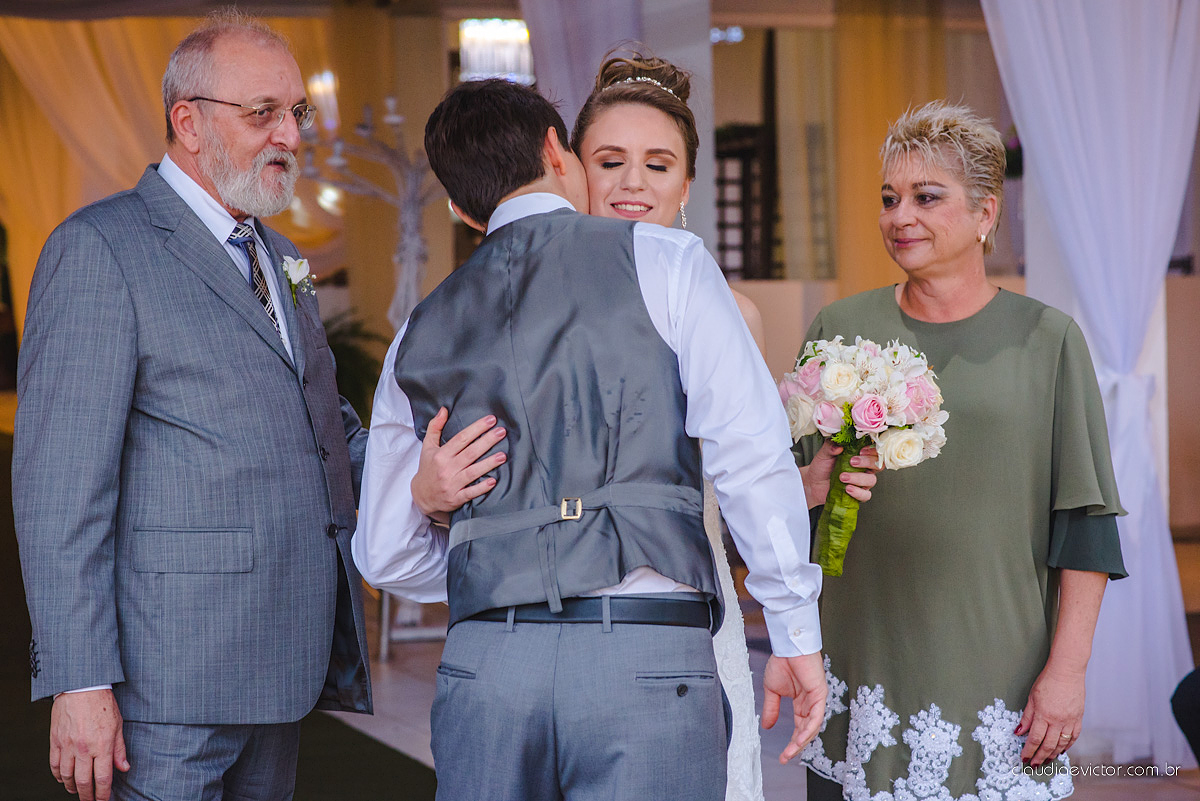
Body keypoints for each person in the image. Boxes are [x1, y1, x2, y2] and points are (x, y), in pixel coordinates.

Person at [352, 78, 876, 801]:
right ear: (556, 150)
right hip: (643, 654)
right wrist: (794, 630)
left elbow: (384, 552)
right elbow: (750, 459)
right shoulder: (667, 261)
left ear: (462, 209)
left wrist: (499, 557)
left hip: (486, 669)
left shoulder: (419, 328)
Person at [13, 12, 372, 801]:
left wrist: (423, 467)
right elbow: (61, 491)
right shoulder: (101, 249)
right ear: (189, 122)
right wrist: (79, 680)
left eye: (296, 112)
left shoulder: (281, 255)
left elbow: (321, 430)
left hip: (280, 670)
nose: (290, 135)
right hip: (164, 689)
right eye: (263, 112)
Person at [796, 101, 1127, 800]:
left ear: (985, 213)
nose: (899, 216)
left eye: (925, 197)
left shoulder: (1049, 339)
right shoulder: (839, 329)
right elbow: (791, 504)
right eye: (889, 198)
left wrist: (1068, 671)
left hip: (998, 663)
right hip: (860, 653)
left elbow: (1084, 527)